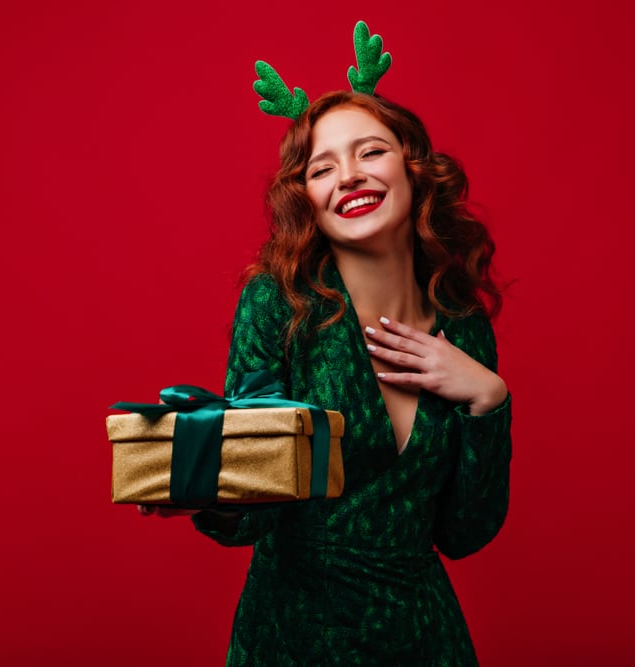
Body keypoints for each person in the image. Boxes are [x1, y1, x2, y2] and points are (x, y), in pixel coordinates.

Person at [143, 88, 511, 665]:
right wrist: (210, 495)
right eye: (323, 167)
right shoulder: (277, 305)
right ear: (307, 196)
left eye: (370, 152)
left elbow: (465, 534)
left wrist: (488, 398)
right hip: (293, 634)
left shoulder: (462, 327)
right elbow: (259, 504)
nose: (348, 177)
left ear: (415, 170)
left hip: (423, 636)